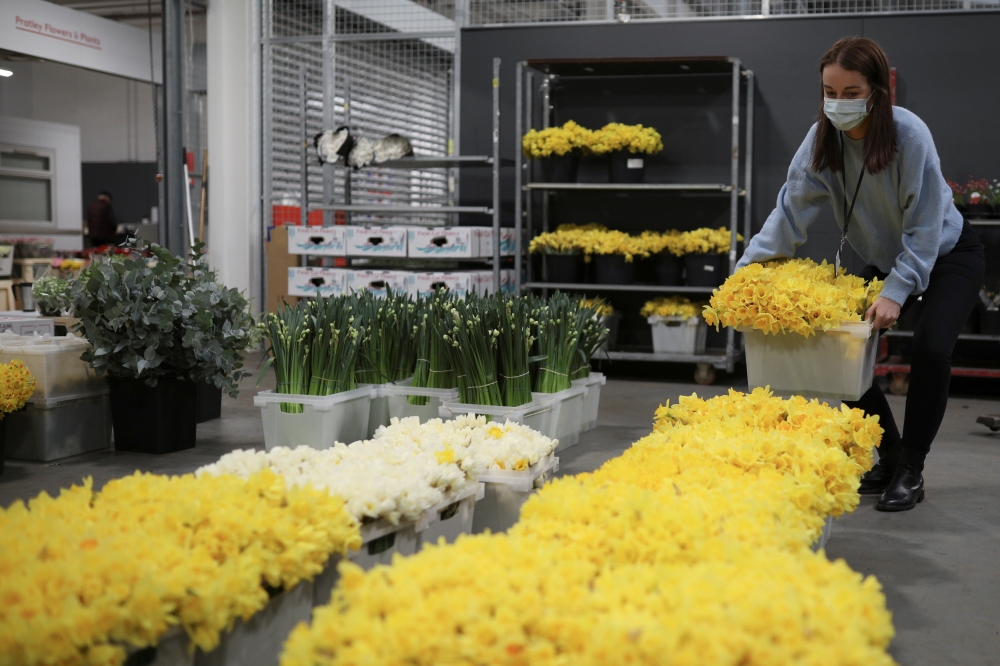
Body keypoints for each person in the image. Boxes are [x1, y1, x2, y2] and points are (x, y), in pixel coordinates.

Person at [738, 37, 984, 512]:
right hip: (888, 256)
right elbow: (790, 212)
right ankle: (888, 451)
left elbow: (925, 222)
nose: (839, 102)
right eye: (831, 91)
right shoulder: (821, 139)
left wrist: (897, 289)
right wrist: (746, 270)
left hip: (947, 252)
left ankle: (912, 467)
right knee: (842, 348)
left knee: (932, 346)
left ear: (876, 92)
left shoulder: (908, 134)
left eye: (852, 93)